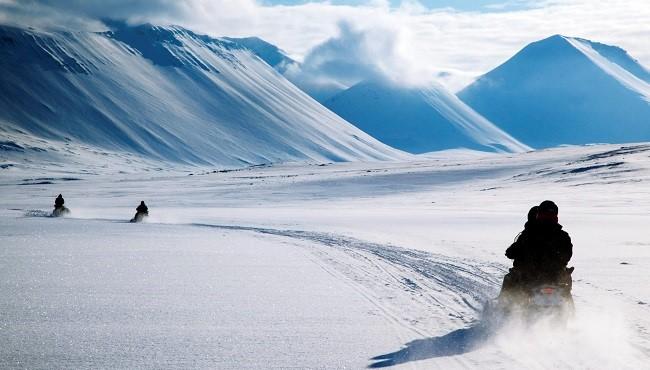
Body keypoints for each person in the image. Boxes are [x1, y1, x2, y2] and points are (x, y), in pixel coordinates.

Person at [499, 201, 573, 300]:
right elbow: (568, 254)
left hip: (530, 277)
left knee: (509, 279)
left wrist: (512, 253)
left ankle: (503, 306)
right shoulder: (563, 235)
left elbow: (512, 252)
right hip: (554, 277)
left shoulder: (529, 234)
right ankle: (569, 311)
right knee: (566, 288)